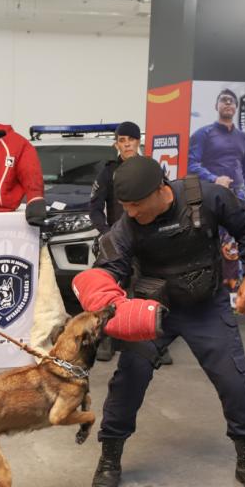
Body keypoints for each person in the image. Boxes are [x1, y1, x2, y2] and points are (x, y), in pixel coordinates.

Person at [72, 156, 245, 487]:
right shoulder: (127, 227)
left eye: (136, 205)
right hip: (151, 311)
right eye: (125, 206)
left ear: (160, 190)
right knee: (128, 380)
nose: (130, 212)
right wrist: (97, 288)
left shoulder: (207, 197)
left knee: (234, 379)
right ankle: (109, 459)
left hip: (206, 306)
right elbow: (110, 269)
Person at [87, 121, 172, 365]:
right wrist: (106, 234)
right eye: (122, 141)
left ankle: (156, 343)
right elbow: (94, 208)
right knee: (110, 287)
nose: (126, 145)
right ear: (117, 144)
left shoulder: (151, 169)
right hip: (118, 240)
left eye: (131, 140)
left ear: (138, 142)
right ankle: (105, 340)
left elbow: (166, 200)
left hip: (148, 238)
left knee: (153, 288)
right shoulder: (108, 172)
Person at [188, 89, 245, 290]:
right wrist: (214, 179)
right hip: (210, 195)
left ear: (236, 107)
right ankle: (207, 286)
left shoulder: (243, 138)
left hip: (237, 196)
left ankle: (236, 286)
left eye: (231, 101)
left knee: (238, 242)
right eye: (224, 100)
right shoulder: (203, 134)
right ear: (216, 105)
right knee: (209, 240)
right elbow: (191, 164)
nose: (228, 103)